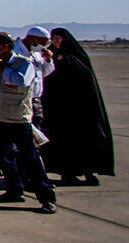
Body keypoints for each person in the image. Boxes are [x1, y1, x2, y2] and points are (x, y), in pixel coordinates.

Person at [0, 32, 57, 214]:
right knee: (6, 158)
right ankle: (13, 190)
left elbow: (21, 81)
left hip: (18, 119)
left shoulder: (24, 63)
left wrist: (3, 69)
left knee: (30, 158)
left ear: (5, 46)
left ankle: (46, 197)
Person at [42, 27, 114, 185]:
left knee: (84, 140)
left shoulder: (76, 55)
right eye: (53, 37)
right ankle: (67, 174)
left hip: (80, 108)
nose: (55, 40)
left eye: (58, 37)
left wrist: (64, 60)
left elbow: (85, 75)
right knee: (60, 141)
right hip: (58, 108)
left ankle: (88, 173)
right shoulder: (48, 54)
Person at [17, 27, 56, 125]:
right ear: (32, 38)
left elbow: (42, 73)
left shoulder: (37, 53)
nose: (43, 46)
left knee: (36, 125)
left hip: (36, 99)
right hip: (22, 100)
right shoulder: (16, 51)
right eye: (42, 42)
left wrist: (48, 61)